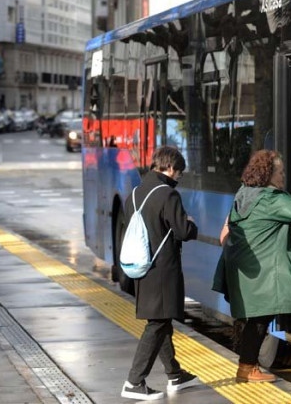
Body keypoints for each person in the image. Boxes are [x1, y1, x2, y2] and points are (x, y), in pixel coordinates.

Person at [212, 150, 291, 383]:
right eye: (280, 173)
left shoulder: (244, 193)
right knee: (262, 317)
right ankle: (247, 369)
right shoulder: (271, 199)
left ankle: (249, 366)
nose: (283, 178)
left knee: (257, 317)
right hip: (263, 269)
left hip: (247, 266)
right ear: (268, 174)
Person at [121, 146, 200, 401]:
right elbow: (182, 232)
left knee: (161, 320)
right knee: (157, 324)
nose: (178, 177)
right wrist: (190, 223)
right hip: (163, 271)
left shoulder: (133, 194)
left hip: (142, 269)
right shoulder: (168, 195)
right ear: (169, 168)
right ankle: (134, 382)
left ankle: (175, 374)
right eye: (179, 172)